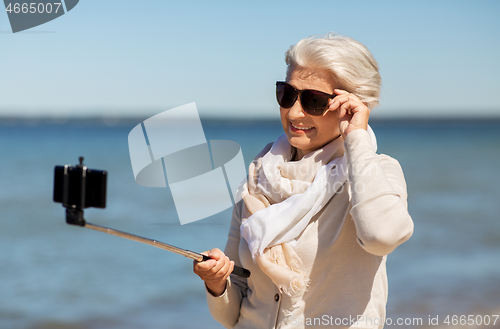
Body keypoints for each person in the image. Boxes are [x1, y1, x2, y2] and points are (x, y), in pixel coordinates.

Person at [193, 33, 414, 329]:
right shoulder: (258, 176)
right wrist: (217, 284)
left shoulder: (378, 173)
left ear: (351, 105)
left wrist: (357, 136)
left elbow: (381, 237)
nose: (294, 112)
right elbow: (231, 315)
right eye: (287, 94)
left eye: (314, 101)